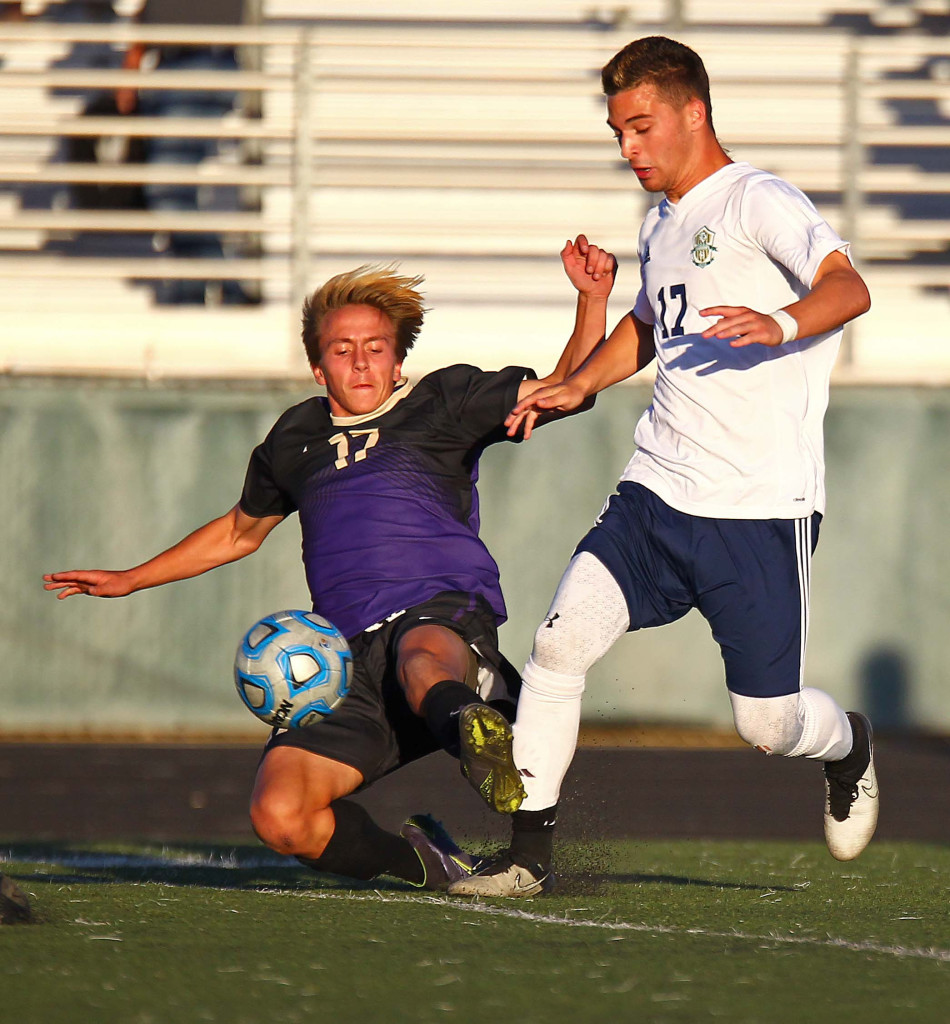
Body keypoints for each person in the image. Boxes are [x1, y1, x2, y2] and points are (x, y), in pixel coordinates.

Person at [450, 35, 878, 899]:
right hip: (657, 491)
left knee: (768, 724)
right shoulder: (661, 222)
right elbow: (649, 325)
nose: (628, 149)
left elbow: (849, 287)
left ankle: (850, 746)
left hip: (758, 508)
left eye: (641, 127)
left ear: (694, 112)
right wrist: (576, 382)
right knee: (558, 644)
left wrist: (784, 323)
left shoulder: (758, 200)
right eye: (618, 132)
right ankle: (528, 856)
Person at [43, 256, 610, 892]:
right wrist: (131, 578)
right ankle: (426, 865)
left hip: (439, 614)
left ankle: (477, 732)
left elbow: (568, 384)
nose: (362, 362)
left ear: (399, 360)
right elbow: (239, 531)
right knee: (280, 815)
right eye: (343, 350)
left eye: (376, 348)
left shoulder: (443, 400)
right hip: (341, 660)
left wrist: (591, 300)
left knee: (420, 656)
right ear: (319, 367)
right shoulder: (295, 437)